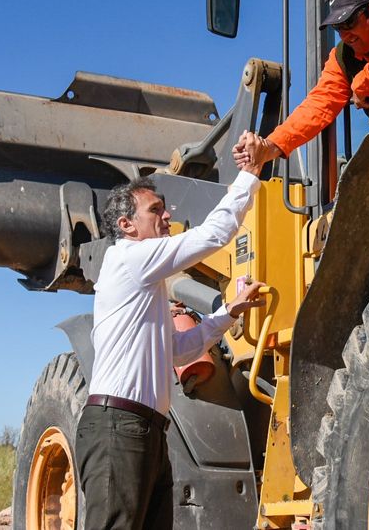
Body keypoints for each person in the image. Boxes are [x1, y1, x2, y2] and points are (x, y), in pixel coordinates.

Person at [75, 158, 265, 529]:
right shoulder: (130, 258)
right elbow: (212, 235)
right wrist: (251, 173)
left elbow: (178, 350)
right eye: (155, 210)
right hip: (118, 427)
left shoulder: (145, 285)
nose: (167, 217)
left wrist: (229, 311)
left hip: (144, 431)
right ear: (126, 225)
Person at [233, 0, 369, 168]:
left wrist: (366, 81)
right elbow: (318, 105)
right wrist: (269, 146)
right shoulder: (342, 58)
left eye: (349, 22)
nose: (345, 36)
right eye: (338, 27)